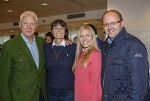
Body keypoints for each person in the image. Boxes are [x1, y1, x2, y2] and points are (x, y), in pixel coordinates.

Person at [101, 10, 149, 101]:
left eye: (113, 23)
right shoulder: (104, 47)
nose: (109, 27)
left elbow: (139, 87)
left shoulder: (134, 45)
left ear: (122, 23)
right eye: (106, 24)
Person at [0, 11, 47, 101]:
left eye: (32, 24)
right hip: (21, 96)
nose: (29, 27)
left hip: (42, 95)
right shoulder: (9, 46)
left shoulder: (42, 42)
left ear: (37, 25)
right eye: (25, 23)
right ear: (20, 24)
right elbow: (3, 80)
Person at [44, 19, 76, 101]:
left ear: (65, 31)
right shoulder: (45, 48)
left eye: (61, 28)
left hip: (68, 91)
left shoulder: (73, 47)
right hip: (50, 90)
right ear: (52, 31)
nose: (58, 30)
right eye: (55, 28)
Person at [73, 25, 102, 101]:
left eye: (87, 35)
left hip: (89, 97)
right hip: (79, 96)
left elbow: (96, 83)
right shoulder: (81, 54)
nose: (84, 39)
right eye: (81, 36)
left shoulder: (96, 54)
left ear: (93, 37)